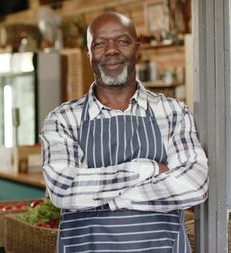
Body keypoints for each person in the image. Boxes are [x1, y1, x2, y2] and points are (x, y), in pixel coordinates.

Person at [40, 12, 208, 253]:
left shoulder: (172, 112)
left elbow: (193, 184)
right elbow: (64, 189)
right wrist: (146, 168)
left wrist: (112, 200)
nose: (111, 50)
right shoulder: (63, 119)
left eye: (122, 41)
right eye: (99, 43)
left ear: (137, 48)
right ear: (89, 52)